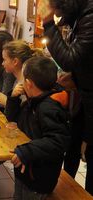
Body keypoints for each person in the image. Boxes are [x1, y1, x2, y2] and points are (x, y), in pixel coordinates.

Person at [39, 0, 93, 194]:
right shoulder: (82, 11)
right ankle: (65, 191)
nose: (56, 12)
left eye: (57, 7)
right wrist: (77, 77)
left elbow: (69, 59)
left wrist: (47, 22)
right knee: (73, 146)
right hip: (85, 96)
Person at [5, 56, 71, 200]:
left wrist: (26, 151)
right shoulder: (34, 100)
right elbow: (12, 118)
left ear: (28, 83)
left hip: (39, 176)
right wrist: (13, 98)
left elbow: (58, 140)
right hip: (26, 167)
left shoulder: (48, 107)